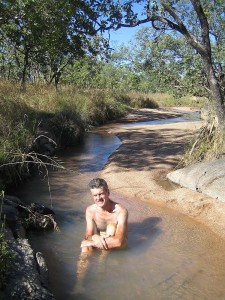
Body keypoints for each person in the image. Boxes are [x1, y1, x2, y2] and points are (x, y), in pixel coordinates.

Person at [80, 178, 128, 252]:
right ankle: (82, 263)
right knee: (85, 248)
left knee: (111, 227)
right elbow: (88, 236)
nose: (98, 198)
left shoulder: (121, 211)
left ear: (108, 192)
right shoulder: (90, 211)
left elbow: (119, 242)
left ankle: (102, 260)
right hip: (101, 239)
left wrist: (92, 242)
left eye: (101, 194)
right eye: (95, 195)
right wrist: (96, 237)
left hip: (116, 241)